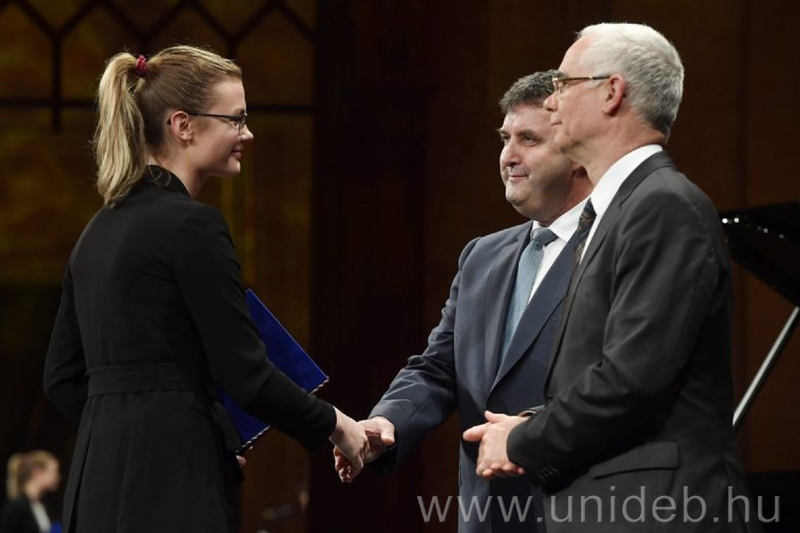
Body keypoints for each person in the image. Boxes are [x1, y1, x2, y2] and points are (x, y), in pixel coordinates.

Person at [42, 45, 367, 533]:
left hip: (94, 488)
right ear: (183, 125)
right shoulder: (195, 226)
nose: (247, 133)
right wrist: (337, 425)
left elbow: (61, 379)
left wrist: (126, 431)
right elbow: (247, 375)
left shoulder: (96, 231)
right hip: (172, 488)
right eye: (236, 119)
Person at [463, 23, 762, 532]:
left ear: (611, 92)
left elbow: (631, 379)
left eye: (563, 84)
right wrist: (532, 423)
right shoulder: (618, 211)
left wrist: (521, 440)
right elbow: (607, 371)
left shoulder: (664, 204)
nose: (551, 101)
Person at [335, 71, 592, 532]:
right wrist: (386, 422)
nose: (508, 157)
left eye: (529, 139)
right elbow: (438, 367)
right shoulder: (482, 256)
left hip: (574, 509)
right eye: (505, 138)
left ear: (578, 154)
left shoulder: (612, 249)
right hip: (485, 514)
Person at [0, 451, 61, 533]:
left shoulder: (46, 505)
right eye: (54, 471)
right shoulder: (16, 507)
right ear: (37, 472)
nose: (58, 476)